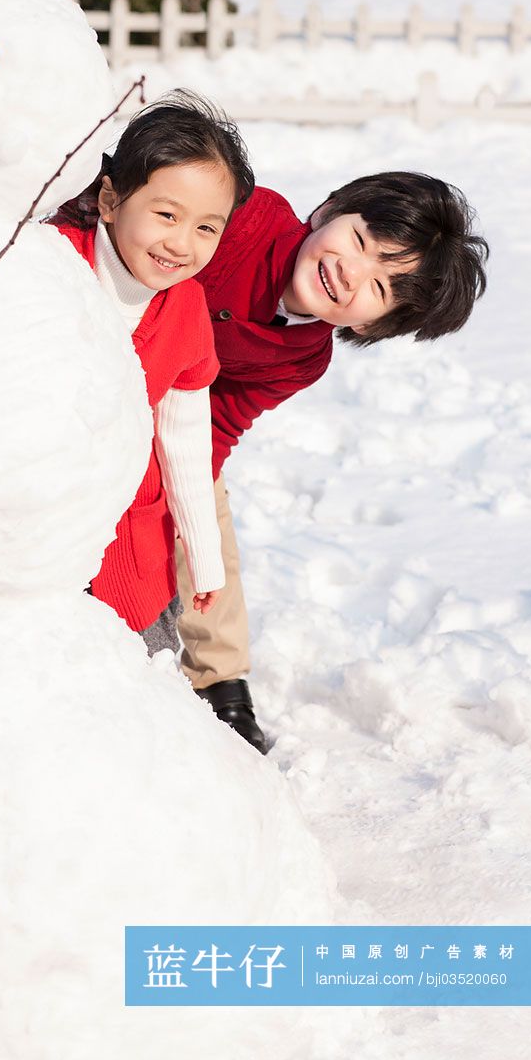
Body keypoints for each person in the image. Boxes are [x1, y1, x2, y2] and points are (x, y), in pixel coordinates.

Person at [174, 171, 489, 754]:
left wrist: (183, 489)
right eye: (361, 242)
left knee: (205, 521)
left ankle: (220, 679)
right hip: (106, 357)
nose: (351, 273)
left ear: (372, 324)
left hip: (171, 424)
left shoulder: (302, 359)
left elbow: (222, 419)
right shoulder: (243, 219)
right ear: (327, 210)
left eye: (379, 287)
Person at [53, 92, 255, 659]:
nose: (181, 244)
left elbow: (184, 440)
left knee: (135, 671)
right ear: (110, 200)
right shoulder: (53, 265)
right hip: (40, 521)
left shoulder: (186, 311)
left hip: (129, 537)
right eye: (167, 215)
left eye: (206, 228)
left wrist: (204, 553)